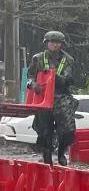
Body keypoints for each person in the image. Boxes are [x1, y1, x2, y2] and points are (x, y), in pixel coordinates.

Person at [27, 30, 77, 165]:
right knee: (44, 131)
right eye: (52, 42)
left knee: (68, 130)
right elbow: (30, 76)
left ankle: (61, 152)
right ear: (46, 43)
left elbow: (70, 79)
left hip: (61, 96)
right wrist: (32, 84)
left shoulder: (68, 60)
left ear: (61, 44)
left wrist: (53, 76)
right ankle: (47, 160)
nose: (54, 45)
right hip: (43, 97)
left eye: (57, 42)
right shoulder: (37, 58)